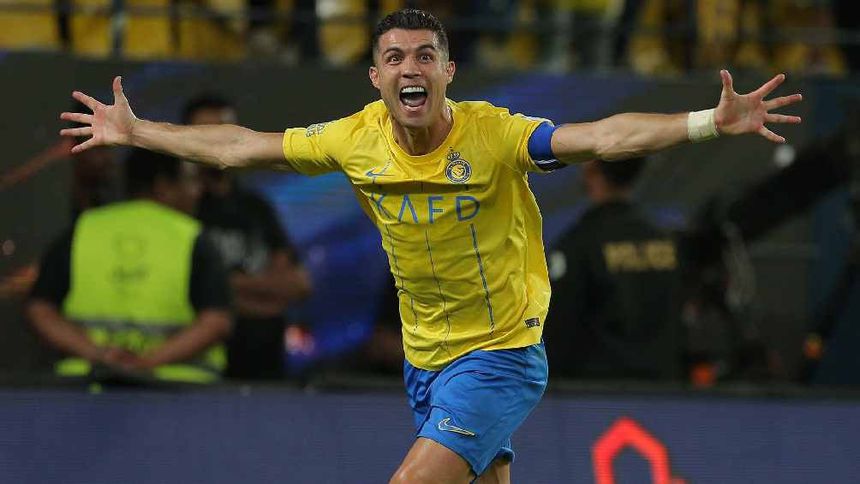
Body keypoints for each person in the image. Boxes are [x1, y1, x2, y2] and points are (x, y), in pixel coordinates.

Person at [59, 8, 802, 482]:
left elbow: (604, 137)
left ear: (448, 72)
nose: (409, 68)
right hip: (427, 361)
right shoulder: (354, 138)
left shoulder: (495, 135)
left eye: (424, 56)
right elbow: (239, 147)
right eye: (394, 57)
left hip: (501, 355)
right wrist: (138, 131)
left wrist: (708, 122)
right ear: (375, 76)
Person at [27, 148, 232, 384]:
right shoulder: (193, 237)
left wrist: (99, 355)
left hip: (86, 387)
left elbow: (40, 310)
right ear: (162, 186)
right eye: (191, 181)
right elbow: (216, 321)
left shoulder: (84, 229)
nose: (198, 191)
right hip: (175, 390)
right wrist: (144, 363)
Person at [182, 94, 311, 380]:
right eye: (205, 132)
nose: (216, 142)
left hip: (265, 364)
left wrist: (227, 287)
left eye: (224, 131)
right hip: (199, 367)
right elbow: (179, 290)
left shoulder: (256, 208)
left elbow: (297, 285)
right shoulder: (181, 208)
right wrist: (261, 296)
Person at [545, 158, 683, 381]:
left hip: (596, 390)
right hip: (664, 386)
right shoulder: (666, 241)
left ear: (591, 169)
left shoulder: (578, 245)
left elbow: (559, 325)